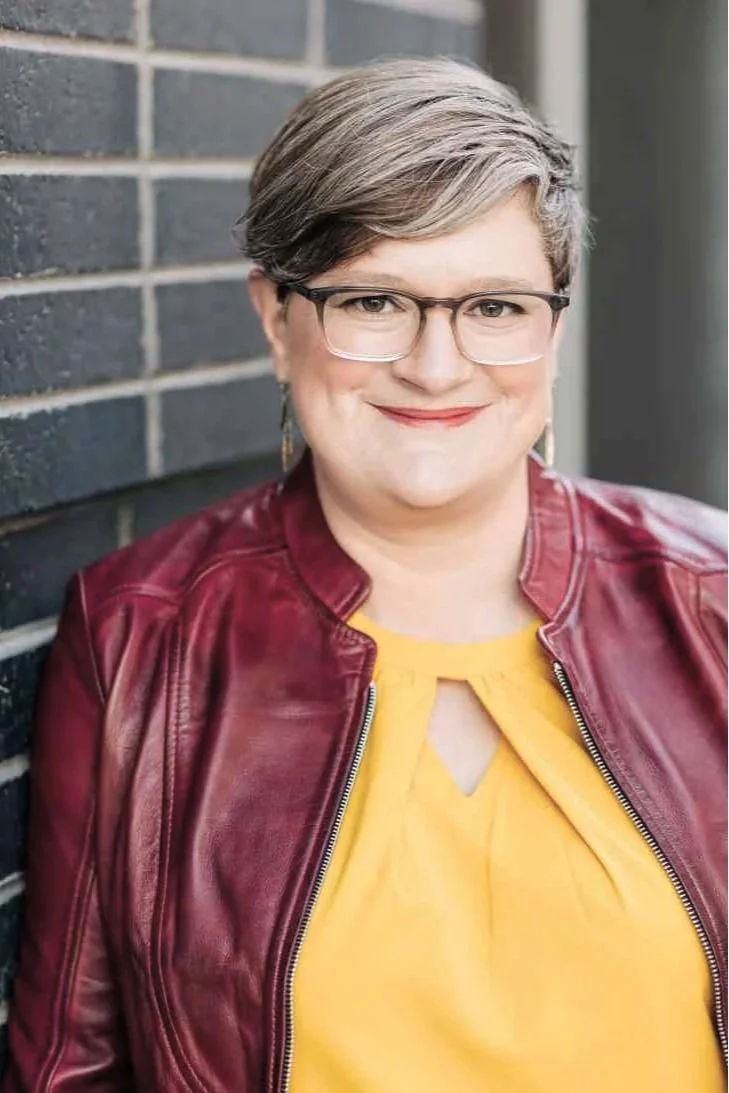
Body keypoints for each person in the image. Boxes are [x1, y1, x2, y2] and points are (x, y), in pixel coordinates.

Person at [2, 56, 726, 1093]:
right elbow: (70, 1071)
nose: (436, 365)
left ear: (554, 326)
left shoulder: (711, 597)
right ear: (275, 314)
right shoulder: (141, 632)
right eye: (376, 299)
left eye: (494, 308)